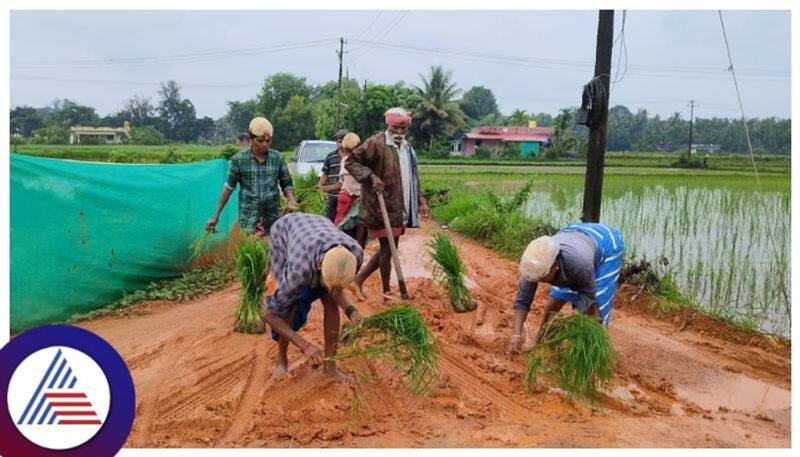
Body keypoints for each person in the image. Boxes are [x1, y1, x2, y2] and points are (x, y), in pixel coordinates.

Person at [263, 212, 365, 382]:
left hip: (318, 226)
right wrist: (305, 346)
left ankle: (330, 366)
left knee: (330, 300)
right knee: (291, 304)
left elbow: (335, 291)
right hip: (284, 232)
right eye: (327, 282)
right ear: (319, 265)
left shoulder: (356, 254)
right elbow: (269, 314)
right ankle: (281, 360)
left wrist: (352, 311)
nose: (331, 289)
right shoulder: (298, 271)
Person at [345, 108, 430, 301]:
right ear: (388, 125)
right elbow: (351, 162)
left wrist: (421, 201)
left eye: (403, 128)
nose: (399, 132)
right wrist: (372, 176)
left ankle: (358, 280)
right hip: (380, 206)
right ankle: (386, 292)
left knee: (389, 249)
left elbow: (412, 178)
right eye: (395, 127)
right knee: (387, 249)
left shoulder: (407, 148)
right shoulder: (376, 143)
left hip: (399, 208)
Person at [507, 222, 625, 354]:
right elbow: (523, 300)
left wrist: (571, 319)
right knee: (556, 299)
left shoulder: (579, 266)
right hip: (573, 236)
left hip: (607, 245)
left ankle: (593, 351)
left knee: (595, 309)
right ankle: (541, 336)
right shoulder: (534, 265)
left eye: (542, 277)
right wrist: (516, 335)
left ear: (555, 265)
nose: (538, 280)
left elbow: (588, 294)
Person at [206, 117, 298, 237]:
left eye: (268, 140)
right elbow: (228, 188)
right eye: (260, 141)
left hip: (272, 218)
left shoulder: (278, 158)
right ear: (251, 139)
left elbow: (286, 184)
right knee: (252, 253)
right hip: (249, 219)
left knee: (272, 251)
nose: (265, 144)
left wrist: (291, 199)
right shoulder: (238, 160)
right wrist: (215, 216)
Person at [333, 132, 367, 247]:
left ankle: (353, 248)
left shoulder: (348, 160)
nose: (350, 153)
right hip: (350, 196)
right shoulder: (351, 161)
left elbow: (342, 180)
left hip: (356, 196)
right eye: (348, 151)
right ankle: (339, 247)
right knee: (342, 224)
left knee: (358, 225)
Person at [317, 130, 348, 222]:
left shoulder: (354, 156)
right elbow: (323, 178)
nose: (342, 143)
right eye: (339, 141)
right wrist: (323, 189)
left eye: (344, 140)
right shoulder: (331, 156)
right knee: (330, 222)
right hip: (333, 197)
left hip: (349, 199)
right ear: (336, 142)